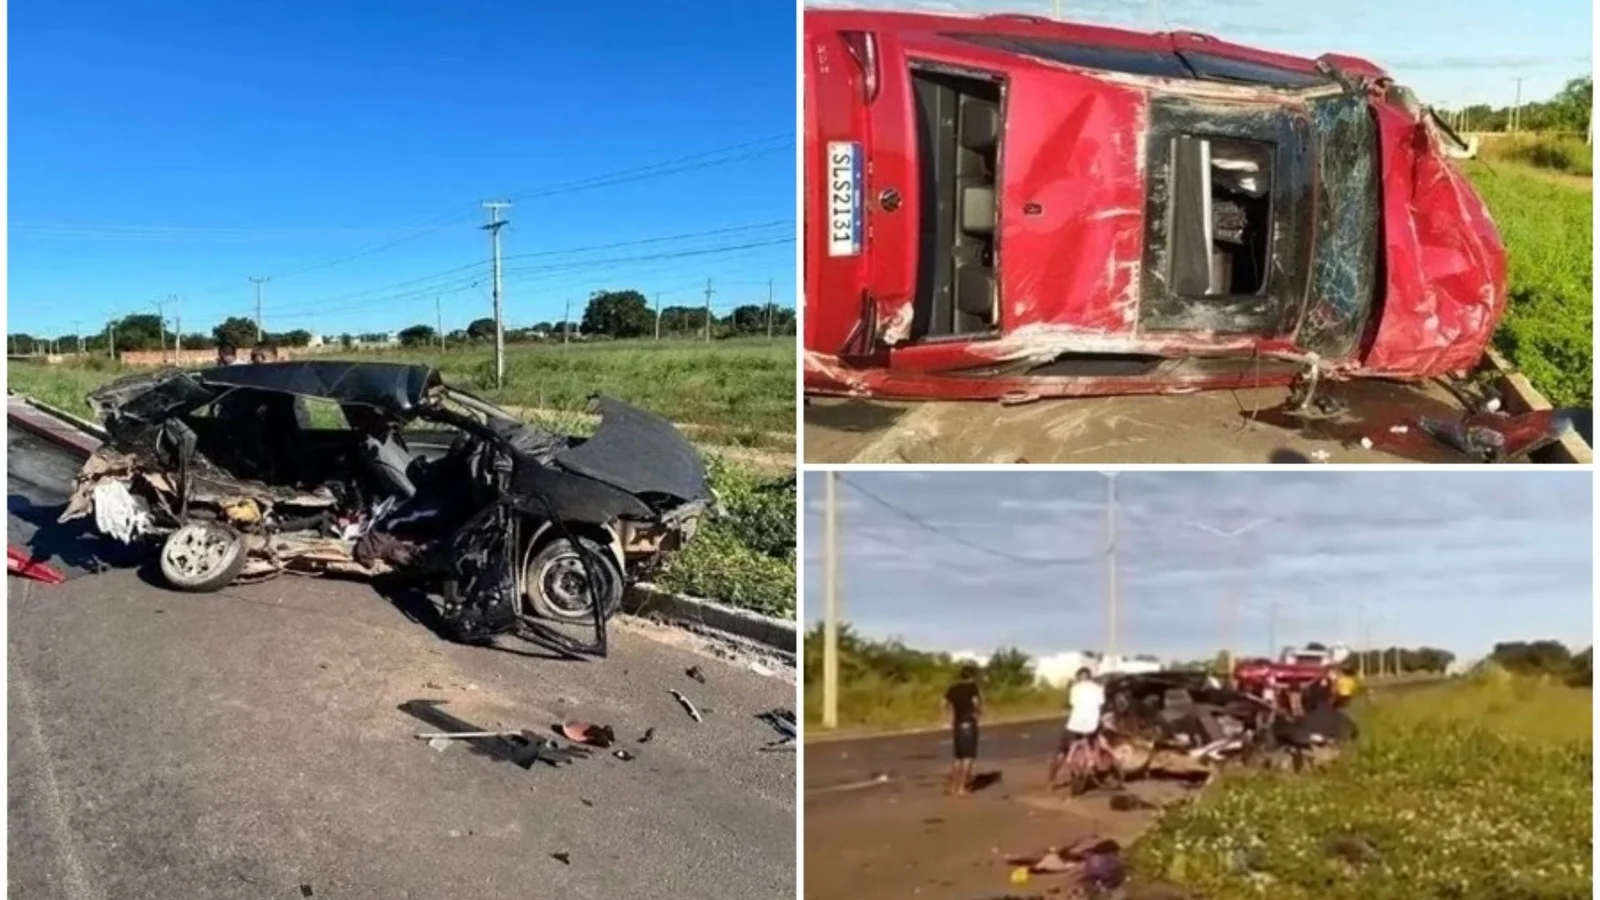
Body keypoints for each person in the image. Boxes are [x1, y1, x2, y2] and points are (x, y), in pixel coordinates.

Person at [1047, 667, 1106, 786]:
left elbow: (1072, 703)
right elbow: (1101, 703)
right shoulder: (1098, 688)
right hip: (1092, 723)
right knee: (1095, 739)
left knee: (1062, 749)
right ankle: (1094, 763)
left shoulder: (1075, 688)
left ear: (1078, 677)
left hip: (1075, 723)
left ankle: (1052, 777)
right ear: (1090, 677)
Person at [942, 665, 982, 796]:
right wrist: (978, 713)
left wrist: (952, 714)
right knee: (968, 757)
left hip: (957, 723)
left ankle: (953, 787)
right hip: (968, 723)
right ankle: (961, 788)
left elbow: (943, 703)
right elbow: (975, 703)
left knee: (957, 757)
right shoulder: (972, 688)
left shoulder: (953, 688)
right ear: (972, 676)